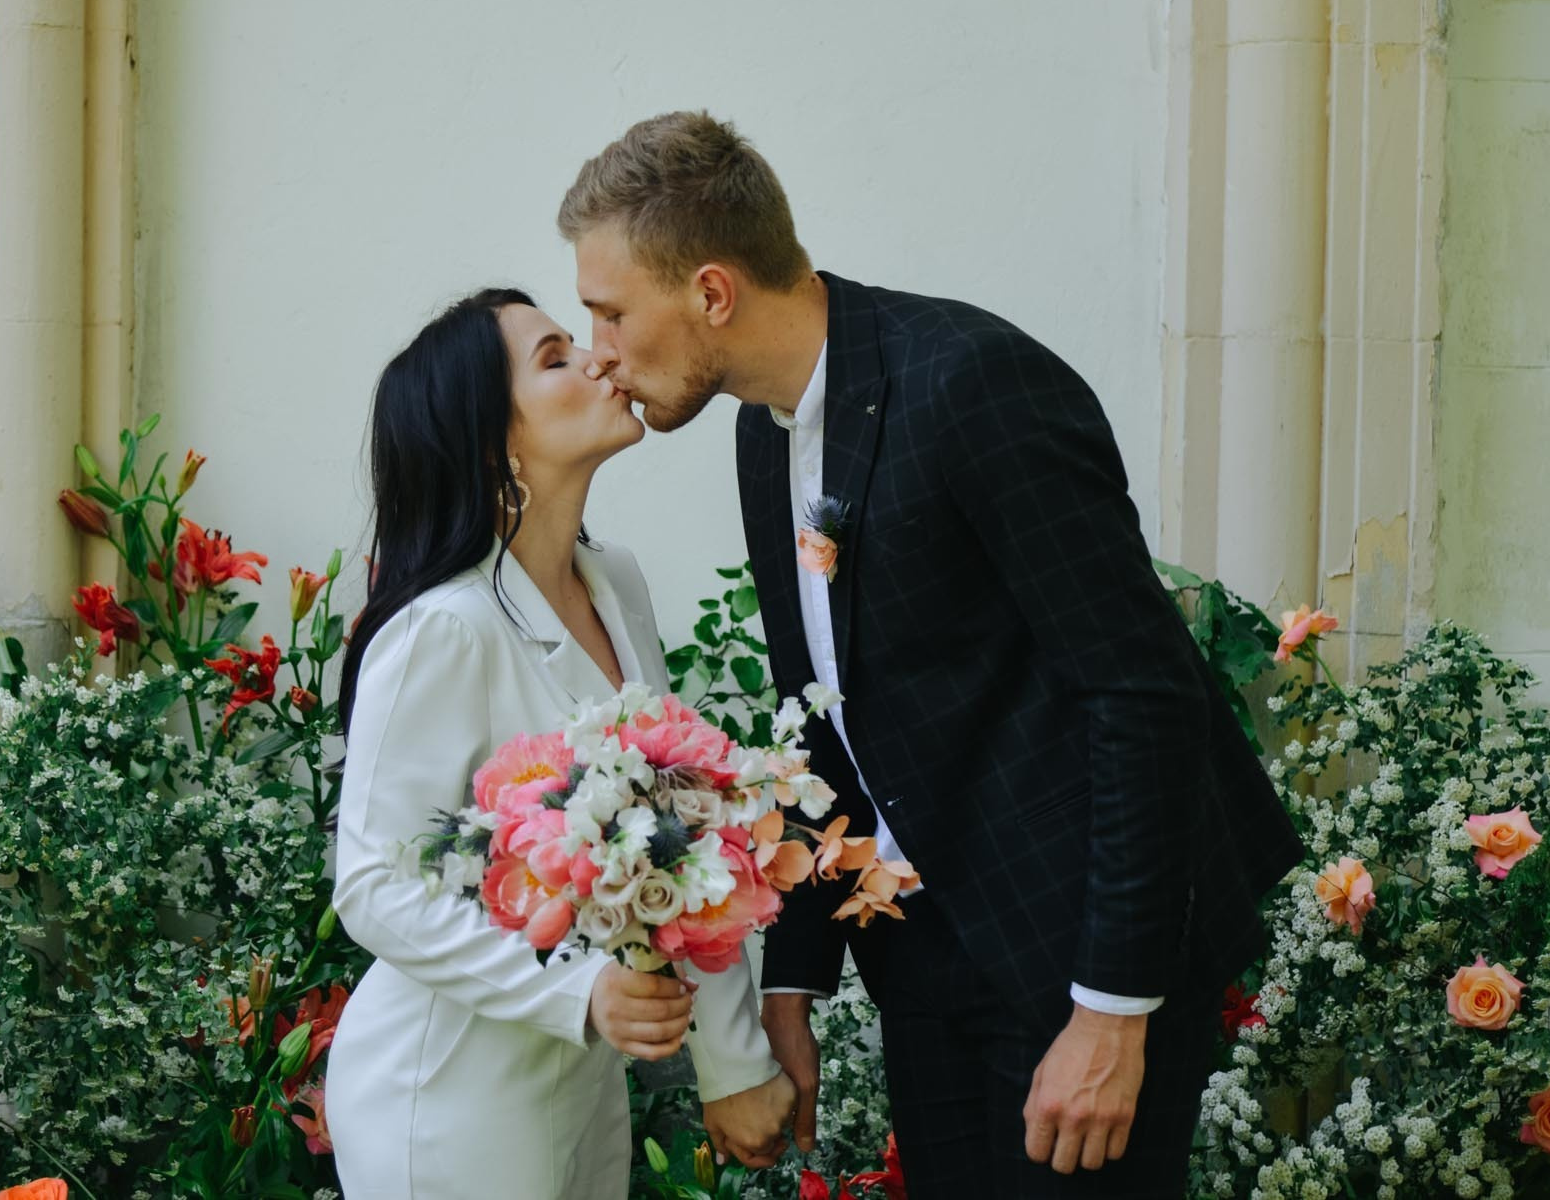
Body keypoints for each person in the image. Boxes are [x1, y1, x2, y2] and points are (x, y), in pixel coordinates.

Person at [559, 111, 1304, 1196]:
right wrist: (794, 983)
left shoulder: (970, 384)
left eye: (611, 312)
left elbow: (1141, 693)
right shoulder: (758, 426)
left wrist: (1111, 1010)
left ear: (710, 293)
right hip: (925, 957)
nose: (600, 352)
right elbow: (815, 715)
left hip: (1079, 948)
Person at [325, 287, 797, 1198]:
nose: (599, 358)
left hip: (579, 1092)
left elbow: (687, 830)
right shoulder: (443, 630)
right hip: (446, 1099)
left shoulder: (612, 582)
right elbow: (374, 886)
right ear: (494, 438)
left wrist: (733, 1066)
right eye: (554, 357)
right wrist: (577, 994)